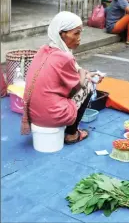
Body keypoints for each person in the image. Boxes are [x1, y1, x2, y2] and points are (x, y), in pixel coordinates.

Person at [21, 11, 103, 144]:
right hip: (49, 116)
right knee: (88, 84)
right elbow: (76, 87)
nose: (79, 38)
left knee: (84, 79)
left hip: (32, 114)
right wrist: (84, 75)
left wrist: (83, 73)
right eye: (76, 33)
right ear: (61, 34)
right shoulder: (65, 58)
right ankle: (71, 134)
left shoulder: (44, 49)